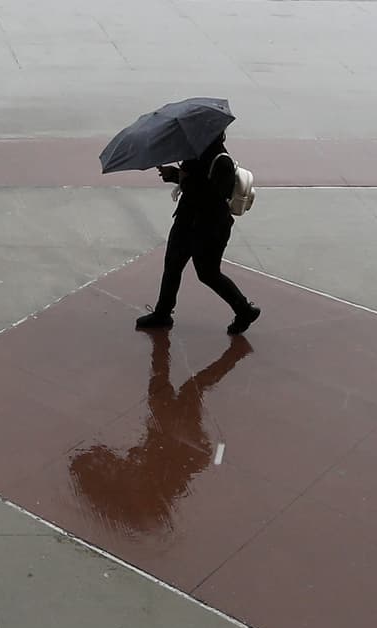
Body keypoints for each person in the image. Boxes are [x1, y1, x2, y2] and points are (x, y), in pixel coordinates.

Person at [69, 332, 252, 535]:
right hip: (180, 436)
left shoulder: (153, 483)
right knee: (188, 389)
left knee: (181, 389)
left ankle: (227, 347)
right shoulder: (162, 482)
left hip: (177, 435)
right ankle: (229, 354)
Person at [136, 132, 261, 334]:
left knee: (208, 274)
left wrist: (184, 181)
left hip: (210, 229)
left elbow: (213, 198)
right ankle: (162, 313)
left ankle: (244, 309)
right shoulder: (195, 154)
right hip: (187, 221)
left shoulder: (222, 162)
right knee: (172, 265)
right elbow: (193, 182)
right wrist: (174, 175)